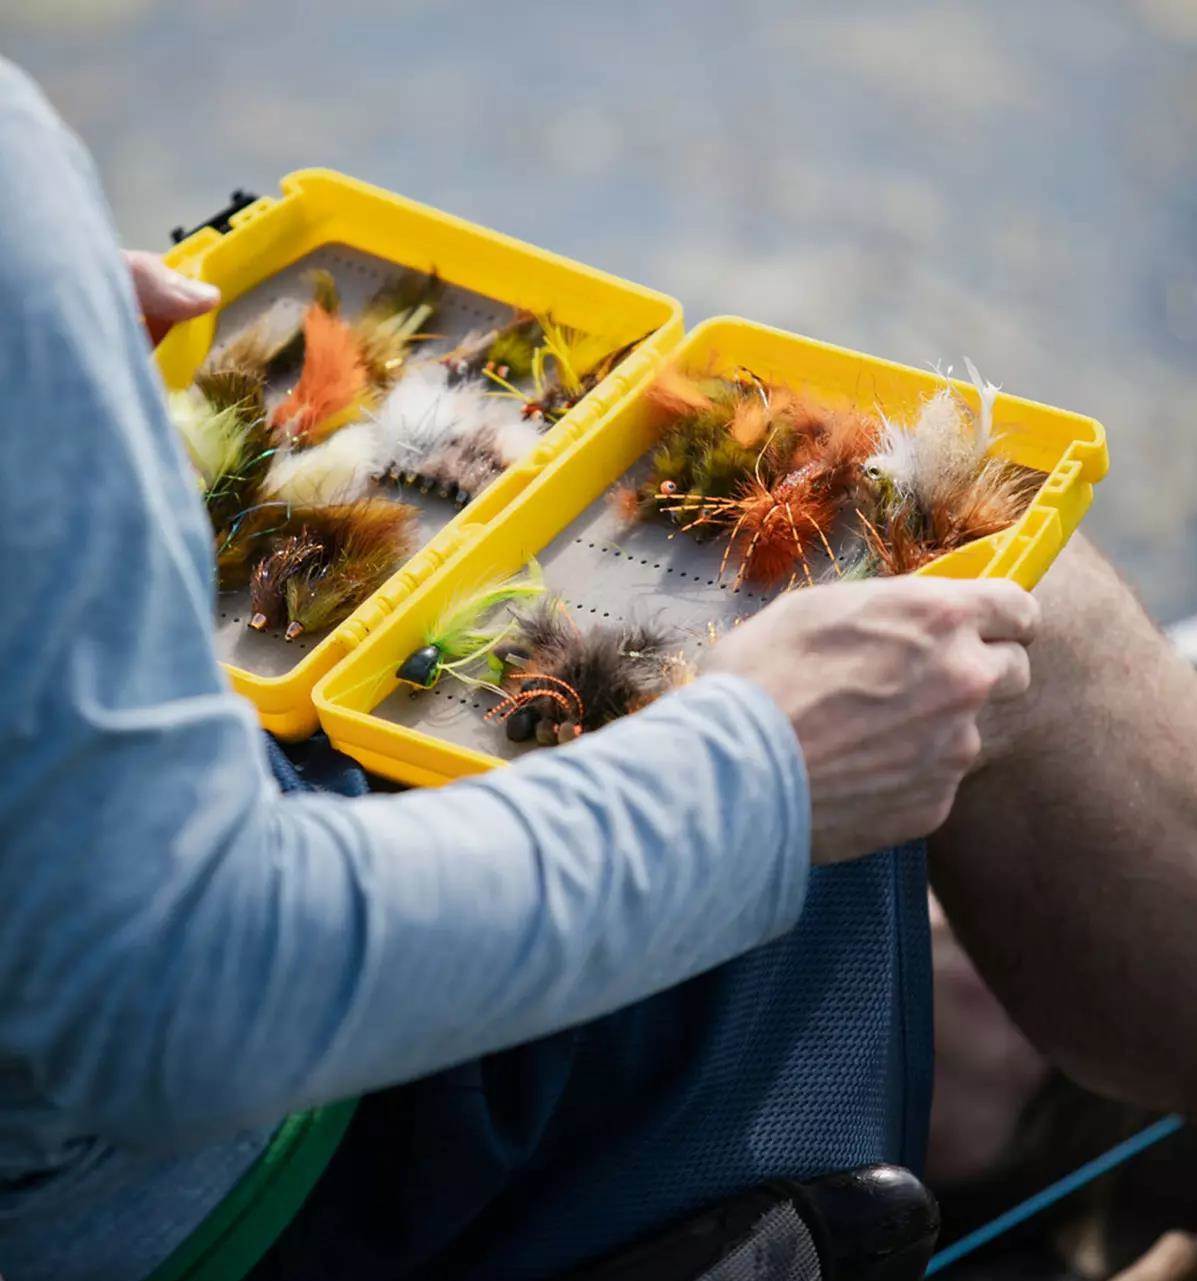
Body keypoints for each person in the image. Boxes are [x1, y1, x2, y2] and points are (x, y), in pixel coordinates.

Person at [0, 58, 1044, 1281]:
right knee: (1010, 619)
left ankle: (978, 1069)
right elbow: (172, 996)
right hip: (213, 1188)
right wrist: (759, 775)